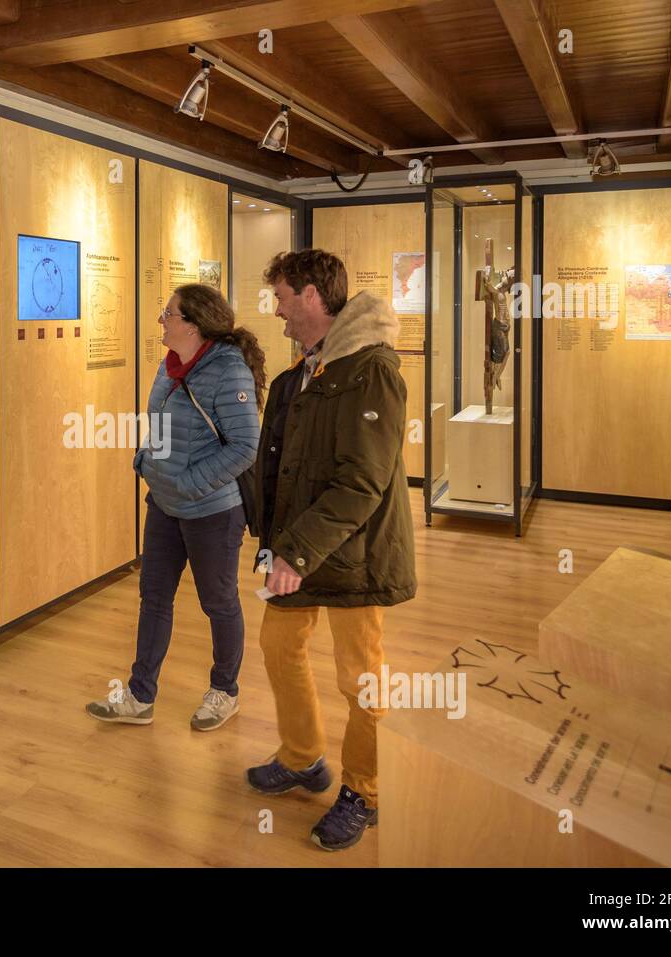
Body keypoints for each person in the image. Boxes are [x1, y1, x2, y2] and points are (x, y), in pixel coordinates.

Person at [246, 249, 416, 851]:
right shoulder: (303, 374)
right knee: (277, 644)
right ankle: (301, 757)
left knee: (360, 676)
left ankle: (364, 791)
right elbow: (283, 467)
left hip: (353, 553)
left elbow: (361, 482)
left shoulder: (370, 370)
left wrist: (295, 552)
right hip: (298, 547)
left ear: (313, 296)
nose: (278, 311)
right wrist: (271, 542)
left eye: (283, 298)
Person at [87, 283, 262, 731]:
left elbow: (245, 447)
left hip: (213, 511)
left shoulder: (228, 371)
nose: (161, 321)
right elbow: (160, 424)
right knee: (154, 598)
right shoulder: (168, 368)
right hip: (164, 505)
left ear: (194, 324)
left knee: (218, 602)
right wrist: (146, 459)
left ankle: (225, 691)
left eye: (169, 314)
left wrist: (189, 483)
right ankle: (139, 696)